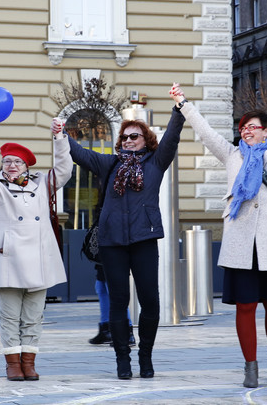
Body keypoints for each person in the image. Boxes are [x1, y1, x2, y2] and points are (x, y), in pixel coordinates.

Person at [173, 77, 267, 388]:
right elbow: (206, 132)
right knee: (244, 307)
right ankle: (250, 365)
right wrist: (183, 104)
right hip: (241, 242)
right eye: (243, 126)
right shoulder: (232, 155)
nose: (246, 130)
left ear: (266, 131)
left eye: (252, 126)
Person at [67, 84, 185, 379]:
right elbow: (80, 154)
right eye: (125, 136)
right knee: (118, 302)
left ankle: (146, 357)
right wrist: (60, 135)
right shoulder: (110, 164)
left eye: (135, 136)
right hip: (112, 242)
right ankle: (123, 359)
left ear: (146, 140)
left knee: (150, 301)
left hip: (144, 239)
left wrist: (179, 107)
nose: (129, 140)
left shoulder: (156, 162)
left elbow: (172, 137)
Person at [0, 121, 72, 382]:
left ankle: (29, 362)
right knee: (10, 317)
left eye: (17, 162)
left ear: (27, 166)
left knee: (34, 317)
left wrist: (59, 138)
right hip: (9, 259)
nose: (11, 166)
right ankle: (13, 364)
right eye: (7, 162)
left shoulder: (43, 184)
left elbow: (64, 169)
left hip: (39, 259)